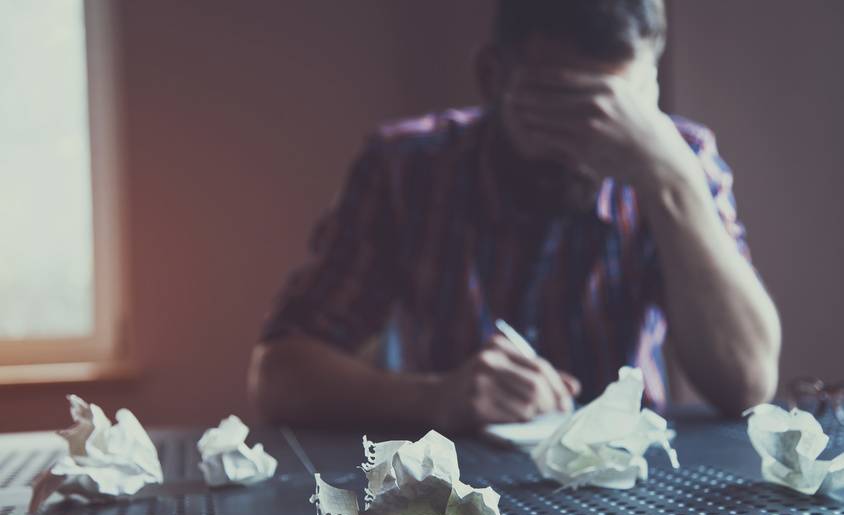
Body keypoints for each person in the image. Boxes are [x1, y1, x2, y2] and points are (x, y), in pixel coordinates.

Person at [248, 0, 781, 431]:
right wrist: (434, 399)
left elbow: (747, 383)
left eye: (619, 112)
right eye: (564, 109)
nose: (592, 144)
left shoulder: (680, 160)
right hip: (452, 489)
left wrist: (672, 182)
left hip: (629, 489)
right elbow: (277, 376)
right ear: (492, 77)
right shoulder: (405, 169)